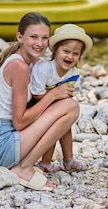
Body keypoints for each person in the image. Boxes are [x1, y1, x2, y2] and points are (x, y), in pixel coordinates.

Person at [0, 12, 79, 191]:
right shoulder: (19, 66)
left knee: (64, 106)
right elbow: (19, 123)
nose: (39, 43)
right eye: (33, 37)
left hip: (0, 144)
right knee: (70, 107)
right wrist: (53, 95)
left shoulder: (34, 62)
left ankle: (57, 161)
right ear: (20, 37)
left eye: (44, 38)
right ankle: (24, 168)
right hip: (0, 146)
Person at [30, 23, 92, 173]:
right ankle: (45, 163)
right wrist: (55, 98)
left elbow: (68, 97)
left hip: (53, 104)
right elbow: (36, 93)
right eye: (66, 51)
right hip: (34, 105)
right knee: (54, 125)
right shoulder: (44, 69)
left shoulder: (74, 73)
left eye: (76, 53)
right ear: (55, 50)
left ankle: (68, 160)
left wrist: (60, 106)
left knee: (65, 125)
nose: (70, 56)